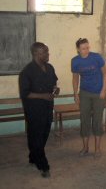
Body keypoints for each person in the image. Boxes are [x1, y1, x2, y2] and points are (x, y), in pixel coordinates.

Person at [19, 42, 59, 178]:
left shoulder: (50, 67)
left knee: (43, 134)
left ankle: (33, 157)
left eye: (48, 51)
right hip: (34, 110)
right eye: (45, 52)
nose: (48, 54)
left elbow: (54, 83)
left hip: (47, 108)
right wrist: (43, 95)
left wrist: (55, 89)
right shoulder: (27, 72)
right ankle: (43, 165)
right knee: (36, 135)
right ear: (36, 53)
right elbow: (25, 93)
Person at [71, 38, 106, 158]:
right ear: (78, 49)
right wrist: (75, 93)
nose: (86, 50)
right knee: (84, 119)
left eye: (87, 47)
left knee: (97, 120)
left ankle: (97, 149)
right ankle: (85, 147)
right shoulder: (75, 61)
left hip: (99, 93)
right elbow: (75, 77)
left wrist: (103, 90)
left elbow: (105, 73)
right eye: (83, 48)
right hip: (85, 93)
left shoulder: (96, 57)